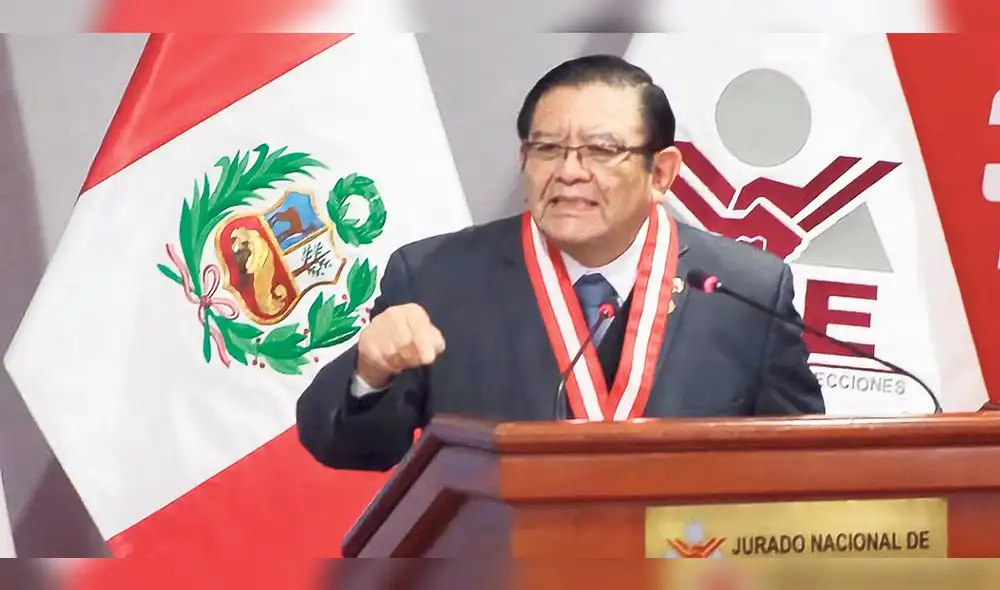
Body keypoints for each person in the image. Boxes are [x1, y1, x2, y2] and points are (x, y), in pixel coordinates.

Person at [296, 55, 825, 472]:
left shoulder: (747, 289)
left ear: (661, 173)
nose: (570, 172)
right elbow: (349, 448)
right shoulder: (437, 277)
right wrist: (371, 371)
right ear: (524, 160)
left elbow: (804, 468)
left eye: (600, 150)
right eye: (548, 148)